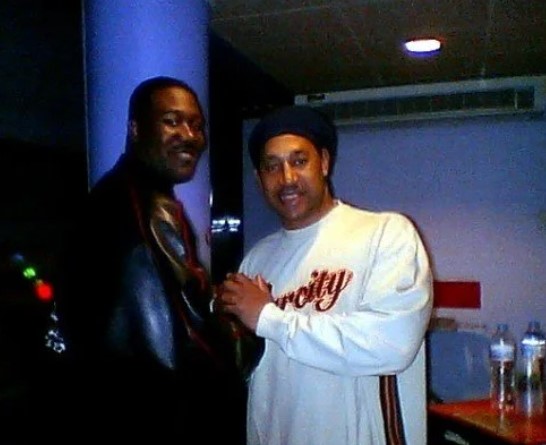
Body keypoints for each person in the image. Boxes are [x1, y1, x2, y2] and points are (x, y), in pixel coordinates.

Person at [217, 105, 433, 445]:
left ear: (324, 163)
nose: (287, 178)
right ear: (259, 180)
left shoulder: (385, 234)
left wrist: (269, 317)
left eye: (299, 161)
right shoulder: (255, 261)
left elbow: (391, 345)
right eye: (272, 167)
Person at [54, 76, 250, 444]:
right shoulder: (146, 209)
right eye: (172, 121)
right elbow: (178, 343)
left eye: (196, 125)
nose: (190, 135)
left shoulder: (110, 197)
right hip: (155, 421)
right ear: (135, 129)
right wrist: (250, 331)